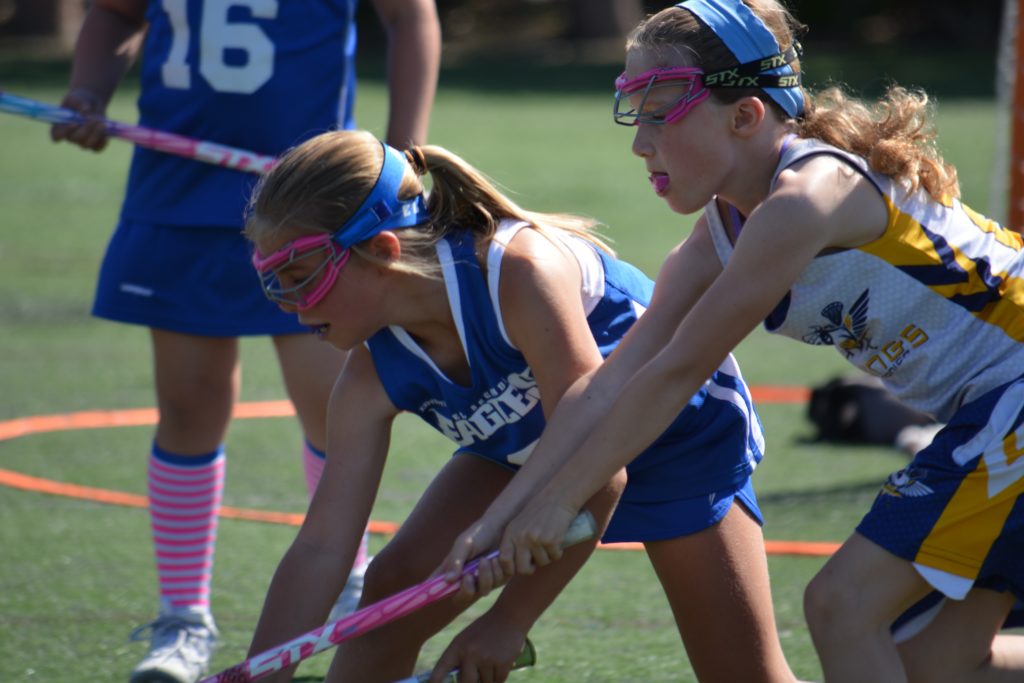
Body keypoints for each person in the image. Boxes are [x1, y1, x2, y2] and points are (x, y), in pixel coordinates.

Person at [439, 1, 1024, 682]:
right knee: (936, 664)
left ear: (745, 115)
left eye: (661, 113)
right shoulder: (721, 233)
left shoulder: (805, 200)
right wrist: (497, 520)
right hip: (990, 407)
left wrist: (560, 501)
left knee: (841, 606)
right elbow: (608, 381)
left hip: (1010, 392)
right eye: (635, 114)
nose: (640, 143)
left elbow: (677, 371)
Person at [242, 128, 795, 683]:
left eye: (302, 278)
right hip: (531, 446)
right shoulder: (369, 376)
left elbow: (599, 469)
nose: (290, 306)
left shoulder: (517, 271)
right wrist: (259, 674)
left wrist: (509, 620)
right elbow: (321, 547)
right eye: (275, 284)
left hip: (680, 437)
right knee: (394, 587)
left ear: (384, 251)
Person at [50, 2, 440, 682]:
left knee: (335, 407)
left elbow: (411, 15)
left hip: (313, 208)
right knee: (189, 406)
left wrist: (403, 150)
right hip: (177, 191)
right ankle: (182, 619)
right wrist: (88, 91)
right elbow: (115, 13)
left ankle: (349, 591)